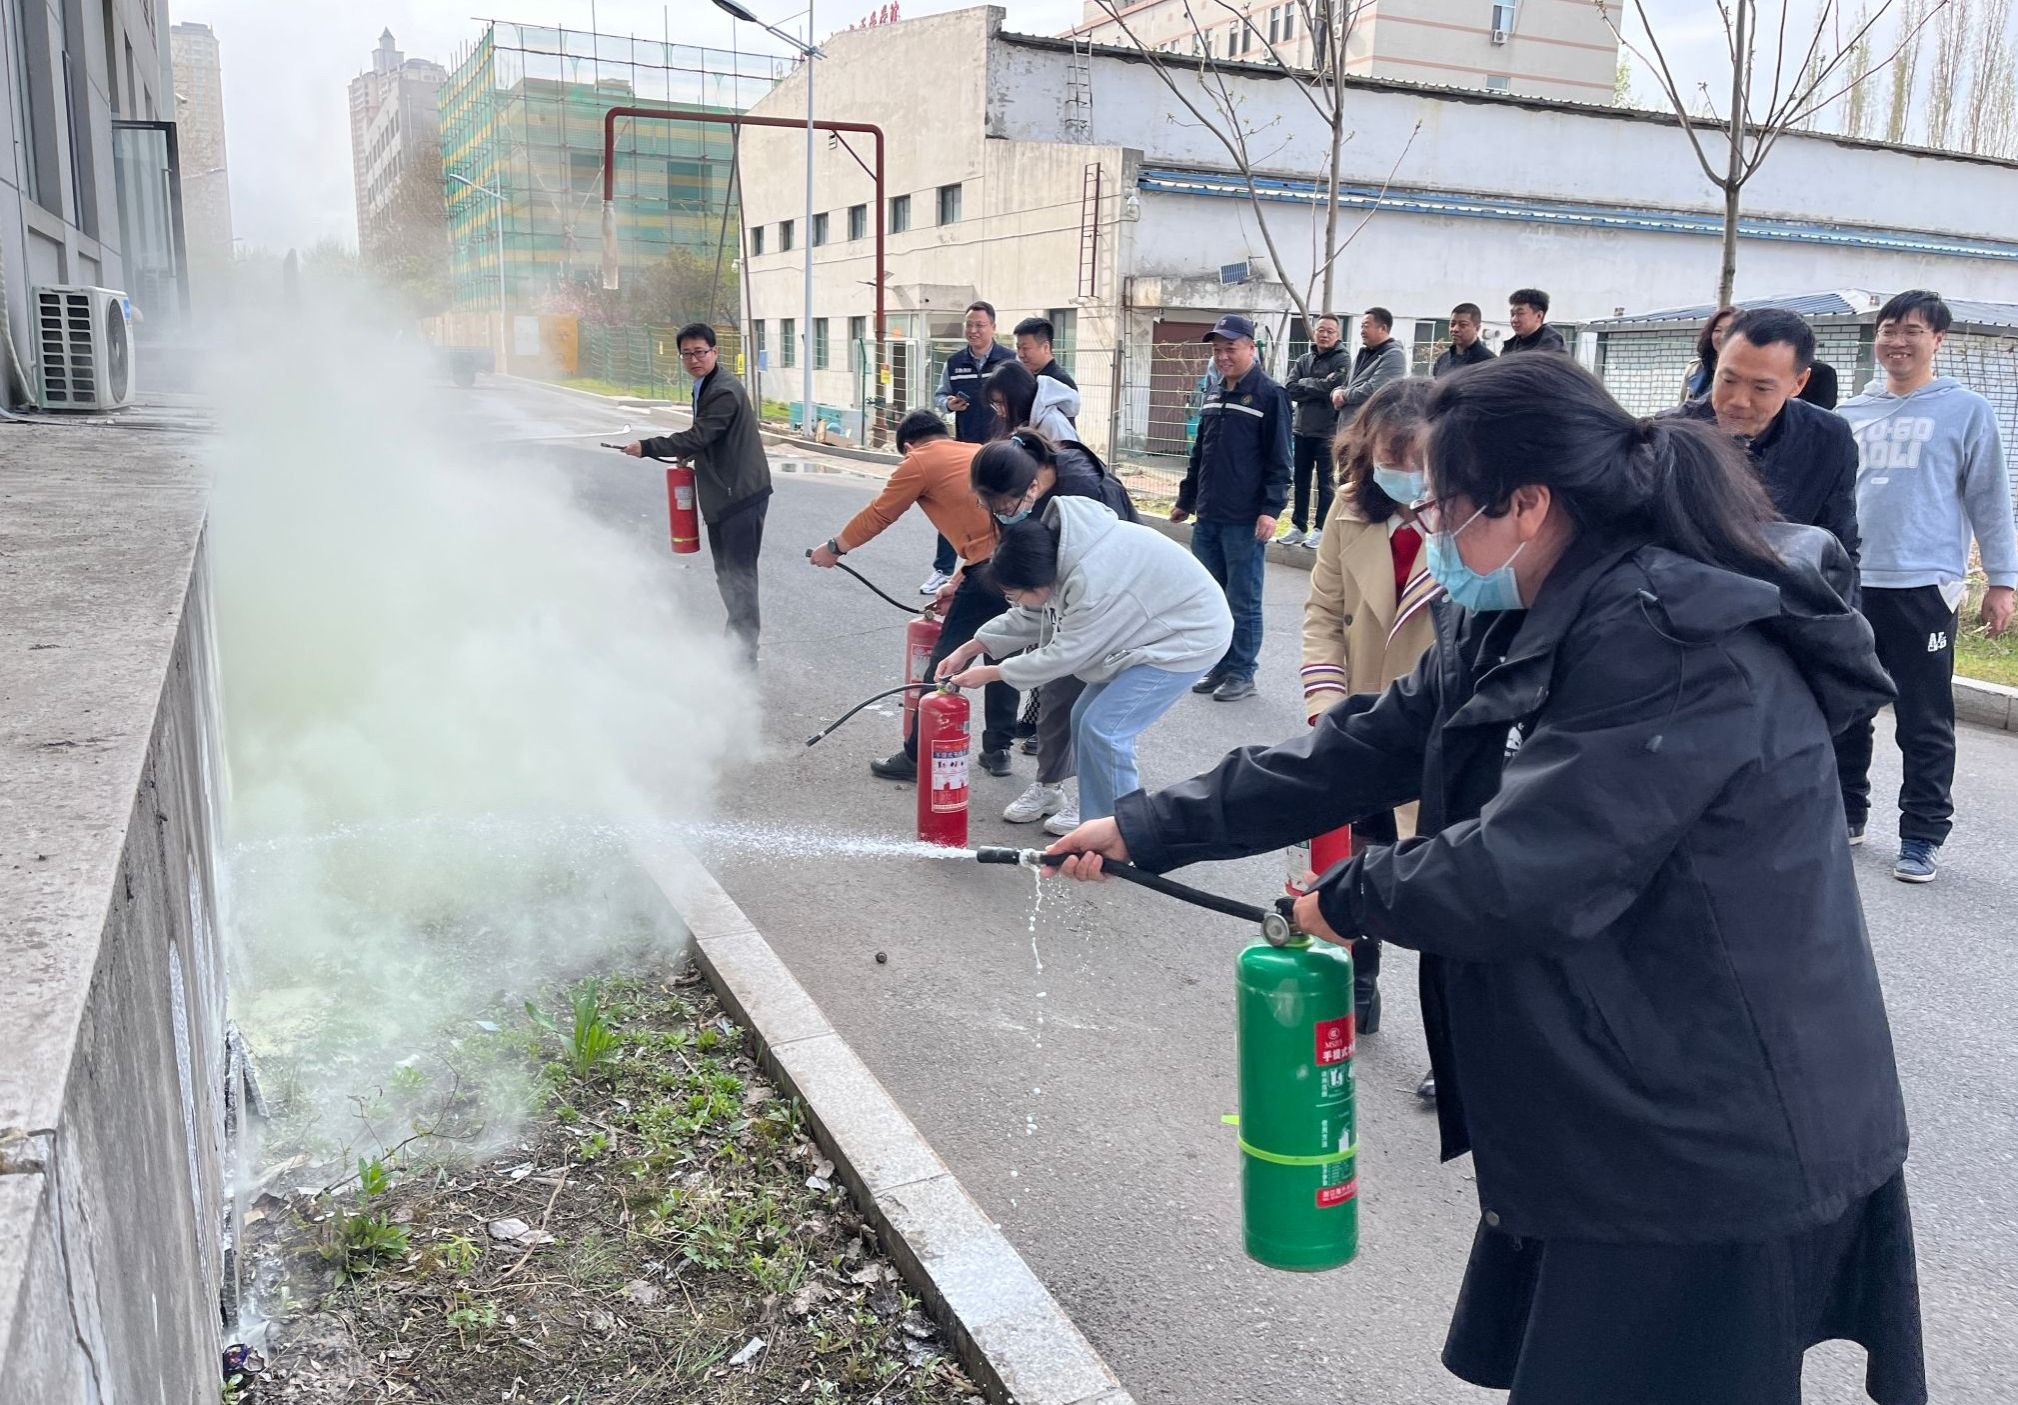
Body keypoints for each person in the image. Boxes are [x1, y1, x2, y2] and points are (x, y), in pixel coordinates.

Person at [1050, 353, 1921, 1405]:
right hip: (1620, 1095)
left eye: (1440, 509)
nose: (1426, 534)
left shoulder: (1673, 636)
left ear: (1527, 503)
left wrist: (1345, 897)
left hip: (1713, 1124)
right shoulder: (1518, 603)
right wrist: (1146, 826)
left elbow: (1525, 869)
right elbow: (1366, 745)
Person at [1838, 288, 2018, 883]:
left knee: (1924, 719)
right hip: (1851, 582)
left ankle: (1921, 834)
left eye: (1912, 331)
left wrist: (2002, 580)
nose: (1898, 341)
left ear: (1937, 340)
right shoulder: (1848, 415)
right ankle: (1846, 813)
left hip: (1924, 586)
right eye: (1888, 329)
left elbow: (1989, 498)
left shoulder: (1966, 411)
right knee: (1846, 708)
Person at [1298, 376, 1439, 1078]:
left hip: (1438, 723)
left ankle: (1455, 1038)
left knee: (1444, 883)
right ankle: (1357, 983)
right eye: (1391, 459)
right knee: (1355, 857)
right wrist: (1329, 710)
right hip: (1359, 714)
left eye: (1418, 462)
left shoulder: (1471, 517)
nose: (1404, 474)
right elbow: (1324, 613)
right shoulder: (1350, 508)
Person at [937, 500, 1232, 823]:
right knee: (1083, 718)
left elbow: (1067, 654)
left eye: (1015, 594)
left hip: (1188, 637)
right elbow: (1032, 614)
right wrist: (970, 648)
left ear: (1036, 582)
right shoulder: (1055, 557)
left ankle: (1123, 829)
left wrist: (994, 672)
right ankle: (1095, 816)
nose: (1014, 601)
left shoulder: (1090, 580)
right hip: (1151, 630)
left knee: (1106, 729)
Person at [810, 409, 1017, 784]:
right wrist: (957, 580)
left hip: (989, 570)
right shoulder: (973, 450)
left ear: (908, 446)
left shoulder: (920, 461)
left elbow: (881, 513)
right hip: (1016, 562)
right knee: (1003, 653)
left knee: (947, 660)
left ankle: (917, 755)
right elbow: (986, 533)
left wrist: (835, 547)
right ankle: (998, 749)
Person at [972, 429, 1139, 834]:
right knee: (1058, 699)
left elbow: (1099, 580)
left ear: (1030, 487)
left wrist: (993, 671)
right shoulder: (1018, 495)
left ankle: (1103, 808)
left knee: (1100, 718)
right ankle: (1049, 787)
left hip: (1112, 606)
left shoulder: (1083, 489)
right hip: (1064, 599)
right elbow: (1028, 588)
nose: (1000, 514)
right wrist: (975, 643)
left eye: (1002, 506)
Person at [626, 322, 772, 665]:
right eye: (687, 354)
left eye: (700, 352)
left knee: (740, 577)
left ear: (715, 352)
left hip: (740, 495)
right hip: (725, 495)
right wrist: (692, 452)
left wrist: (648, 446)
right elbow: (709, 437)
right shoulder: (706, 384)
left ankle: (743, 657)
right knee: (727, 575)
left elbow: (701, 434)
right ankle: (736, 646)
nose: (694, 359)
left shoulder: (724, 391)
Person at [1172, 314, 1293, 702]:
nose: (1223, 356)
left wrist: (1270, 509)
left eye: (1231, 348)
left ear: (1251, 348)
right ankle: (1221, 665)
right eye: (1217, 350)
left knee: (1243, 599)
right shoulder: (1213, 391)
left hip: (1245, 519)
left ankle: (1242, 671)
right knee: (1212, 598)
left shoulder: (1270, 394)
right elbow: (1200, 452)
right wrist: (1186, 499)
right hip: (1209, 514)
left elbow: (1280, 460)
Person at [925, 301, 1016, 596]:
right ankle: (942, 570)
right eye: (969, 325)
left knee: (1002, 507)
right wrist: (948, 404)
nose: (974, 330)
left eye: (980, 325)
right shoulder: (954, 363)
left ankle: (1001, 568)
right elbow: (940, 396)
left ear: (993, 328)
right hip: (965, 447)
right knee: (953, 505)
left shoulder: (1009, 361)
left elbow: (1022, 396)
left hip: (1001, 447)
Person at [1282, 314, 1354, 548]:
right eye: (1320, 330)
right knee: (1300, 481)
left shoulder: (1343, 359)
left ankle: (1321, 529)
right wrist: (1318, 385)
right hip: (1302, 429)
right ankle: (1298, 526)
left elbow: (1334, 388)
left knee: (1325, 483)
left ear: (1338, 335)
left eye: (1330, 331)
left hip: (1328, 432)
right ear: (1314, 332)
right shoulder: (1304, 359)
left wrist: (1306, 383)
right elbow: (1290, 388)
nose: (1324, 335)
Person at [1327, 307, 1409, 469]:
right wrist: (1336, 392)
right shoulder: (1364, 353)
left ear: (1383, 328)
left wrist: (1344, 396)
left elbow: (1376, 389)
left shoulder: (1393, 355)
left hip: (1368, 432)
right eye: (1361, 326)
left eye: (1366, 326)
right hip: (1348, 430)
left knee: (1361, 477)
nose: (1362, 331)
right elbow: (1348, 384)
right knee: (1343, 478)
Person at [984, 360, 1079, 443]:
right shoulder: (1022, 421)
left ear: (1018, 396)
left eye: (1001, 403)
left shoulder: (1053, 423)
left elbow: (1071, 457)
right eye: (995, 404)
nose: (999, 412)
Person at [1681, 304, 1737, 400]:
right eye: (1717, 330)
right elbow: (1682, 405)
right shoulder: (1695, 369)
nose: (1723, 336)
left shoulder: (1749, 371)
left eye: (1730, 331)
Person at [1012, 317, 1078, 392]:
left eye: (1025, 348)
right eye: (1018, 348)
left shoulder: (1060, 383)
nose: (1021, 354)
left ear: (1045, 347)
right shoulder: (1024, 378)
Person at [1433, 302, 1495, 377]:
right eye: (1452, 324)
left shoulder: (1489, 362)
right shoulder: (1443, 359)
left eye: (1463, 325)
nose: (1455, 329)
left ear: (1477, 328)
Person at [1502, 288, 1568, 354]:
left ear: (1539, 315)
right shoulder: (1511, 345)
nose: (1514, 320)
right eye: (1512, 314)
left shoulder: (1552, 347)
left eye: (1520, 313)